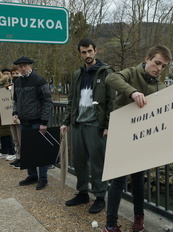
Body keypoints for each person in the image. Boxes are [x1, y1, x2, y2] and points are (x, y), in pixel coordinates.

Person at [102, 45, 172, 232]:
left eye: (163, 66)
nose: (159, 68)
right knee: (118, 179)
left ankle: (138, 220)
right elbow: (111, 78)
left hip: (142, 138)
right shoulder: (132, 73)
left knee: (139, 180)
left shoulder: (161, 86)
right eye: (157, 63)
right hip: (122, 133)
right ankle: (110, 224)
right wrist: (132, 92)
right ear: (147, 58)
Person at [60, 38, 115, 214]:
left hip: (95, 125)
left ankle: (100, 197)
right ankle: (82, 192)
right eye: (83, 52)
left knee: (97, 162)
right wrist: (66, 122)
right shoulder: (77, 74)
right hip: (78, 124)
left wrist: (107, 125)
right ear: (80, 53)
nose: (87, 55)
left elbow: (111, 101)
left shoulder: (105, 72)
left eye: (90, 51)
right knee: (80, 161)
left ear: (95, 51)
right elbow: (71, 101)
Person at [12, 56, 53, 190]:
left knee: (40, 150)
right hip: (24, 121)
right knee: (28, 150)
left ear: (30, 66)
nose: (23, 69)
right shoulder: (17, 82)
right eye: (20, 66)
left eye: (25, 66)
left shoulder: (39, 80)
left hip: (37, 121)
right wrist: (15, 112)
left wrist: (44, 122)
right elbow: (16, 100)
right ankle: (32, 175)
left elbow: (47, 102)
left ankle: (43, 178)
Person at [0, 70, 16, 159]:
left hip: (3, 113)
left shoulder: (5, 87)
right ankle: (4, 151)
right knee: (1, 133)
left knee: (7, 133)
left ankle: (12, 152)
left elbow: (6, 101)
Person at [8, 66, 22, 168]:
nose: (15, 75)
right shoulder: (10, 86)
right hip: (10, 115)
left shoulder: (21, 85)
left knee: (21, 138)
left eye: (17, 73)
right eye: (13, 73)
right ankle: (18, 157)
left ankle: (23, 158)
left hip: (19, 115)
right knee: (15, 138)